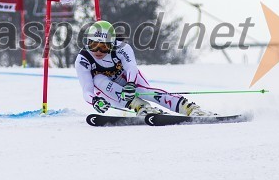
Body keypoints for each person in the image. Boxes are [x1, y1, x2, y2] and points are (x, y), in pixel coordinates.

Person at [75, 20, 214, 116]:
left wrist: (129, 84)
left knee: (144, 92)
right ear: (87, 43)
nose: (98, 51)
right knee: (98, 78)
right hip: (108, 93)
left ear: (112, 44)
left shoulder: (122, 48)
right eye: (94, 45)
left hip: (129, 82)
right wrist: (94, 101)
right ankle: (141, 107)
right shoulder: (83, 59)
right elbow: (87, 90)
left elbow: (131, 68)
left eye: (103, 46)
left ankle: (189, 108)